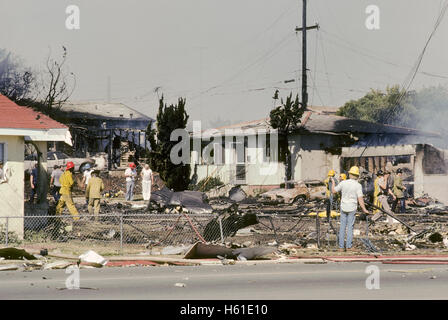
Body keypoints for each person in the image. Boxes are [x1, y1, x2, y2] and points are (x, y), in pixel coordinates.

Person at [331, 166, 370, 251]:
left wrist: (333, 182)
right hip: (352, 207)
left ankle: (341, 247)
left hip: (343, 207)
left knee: (342, 227)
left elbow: (333, 191)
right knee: (350, 227)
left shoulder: (343, 183)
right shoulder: (358, 186)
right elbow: (360, 199)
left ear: (349, 174)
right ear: (357, 176)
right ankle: (349, 246)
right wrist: (364, 209)